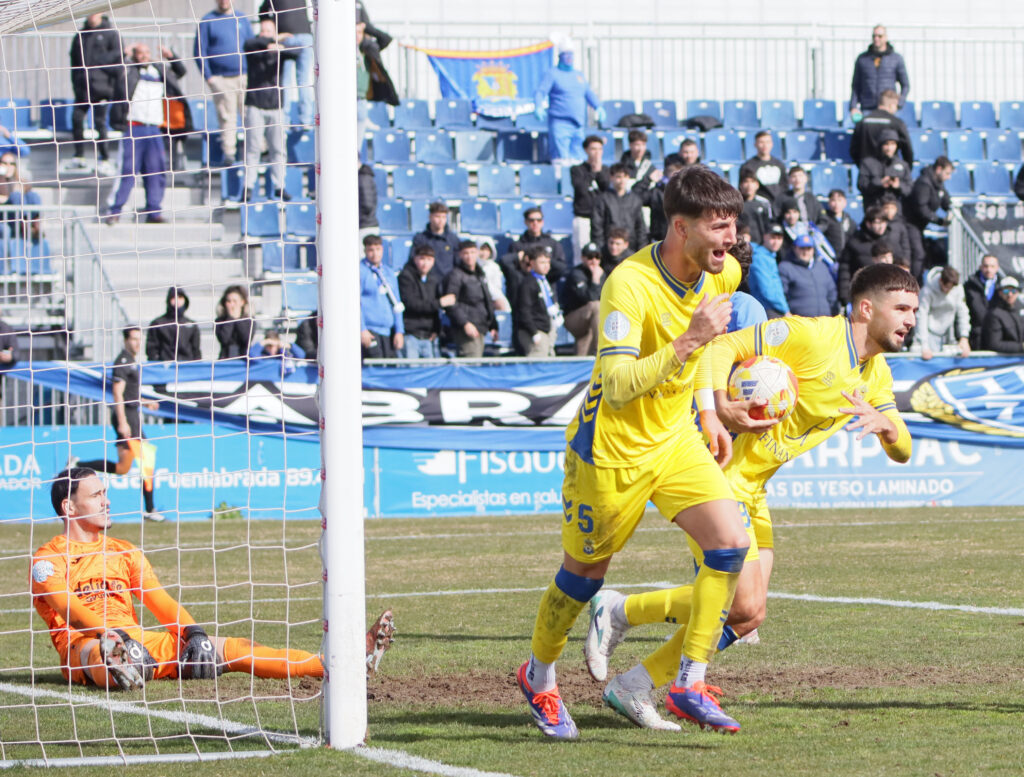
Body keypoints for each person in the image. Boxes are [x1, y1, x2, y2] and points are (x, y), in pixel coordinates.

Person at [588, 264, 918, 730]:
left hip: (754, 489)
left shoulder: (876, 374)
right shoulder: (811, 335)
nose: (910, 320)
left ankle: (632, 679)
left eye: (914, 311)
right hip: (718, 477)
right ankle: (626, 619)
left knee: (748, 616)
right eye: (901, 308)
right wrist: (717, 406)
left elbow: (903, 451)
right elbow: (720, 348)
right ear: (867, 308)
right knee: (739, 605)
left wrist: (889, 428)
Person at [517, 165, 765, 740]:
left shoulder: (722, 272)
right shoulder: (628, 284)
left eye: (733, 225)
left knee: (729, 545)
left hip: (675, 440)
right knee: (582, 578)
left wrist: (707, 410)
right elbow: (617, 382)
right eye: (719, 227)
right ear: (681, 228)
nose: (731, 239)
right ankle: (539, 676)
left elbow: (707, 350)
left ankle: (688, 683)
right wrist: (688, 339)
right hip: (611, 453)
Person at [33, 467, 396, 689]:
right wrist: (115, 638)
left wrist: (193, 633)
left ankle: (347, 663)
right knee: (96, 653)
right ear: (69, 506)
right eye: (96, 495)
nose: (106, 501)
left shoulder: (124, 551)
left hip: (139, 643)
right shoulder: (47, 559)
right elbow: (71, 612)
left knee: (232, 649)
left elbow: (160, 602)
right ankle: (119, 667)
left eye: (105, 494)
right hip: (83, 645)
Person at [74, 328, 163, 523]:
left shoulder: (131, 361)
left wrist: (145, 402)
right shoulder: (122, 361)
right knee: (146, 462)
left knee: (125, 467)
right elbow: (117, 393)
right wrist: (122, 421)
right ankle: (150, 509)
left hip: (132, 415)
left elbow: (129, 394)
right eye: (133, 339)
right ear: (125, 340)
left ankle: (78, 464)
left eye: (139, 339)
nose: (137, 343)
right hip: (127, 417)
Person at [104, 43, 186, 225]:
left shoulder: (159, 71)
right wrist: (122, 52)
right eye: (140, 53)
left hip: (154, 128)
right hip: (134, 127)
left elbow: (180, 72)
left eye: (146, 53)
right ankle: (115, 210)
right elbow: (108, 67)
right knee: (127, 170)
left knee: (155, 170)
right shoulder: (127, 70)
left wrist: (171, 56)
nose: (144, 56)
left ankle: (154, 210)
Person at [242, 17, 299, 202]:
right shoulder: (254, 48)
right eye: (263, 31)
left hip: (275, 106)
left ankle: (279, 187)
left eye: (269, 31)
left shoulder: (280, 50)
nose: (265, 34)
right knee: (253, 148)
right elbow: (248, 44)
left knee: (278, 149)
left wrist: (280, 46)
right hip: (255, 105)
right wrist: (272, 40)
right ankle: (248, 187)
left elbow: (297, 52)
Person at [194, 0, 254, 166]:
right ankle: (229, 153)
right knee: (227, 117)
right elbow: (199, 52)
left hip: (244, 77)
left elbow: (252, 46)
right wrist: (209, 78)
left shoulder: (241, 18)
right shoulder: (208, 21)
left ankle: (257, 151)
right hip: (221, 79)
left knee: (250, 115)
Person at [534, 37, 603, 167]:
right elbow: (541, 92)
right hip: (560, 122)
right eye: (566, 54)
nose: (569, 57)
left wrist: (598, 107)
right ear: (560, 56)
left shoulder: (579, 75)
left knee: (579, 159)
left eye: (571, 54)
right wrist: (538, 106)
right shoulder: (552, 74)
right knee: (562, 160)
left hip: (578, 124)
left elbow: (588, 92)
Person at [68, 12, 123, 172]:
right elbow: (74, 61)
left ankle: (104, 158)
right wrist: (76, 82)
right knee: (77, 118)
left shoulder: (111, 34)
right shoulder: (80, 35)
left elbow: (118, 58)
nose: (91, 16)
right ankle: (79, 156)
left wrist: (110, 84)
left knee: (100, 123)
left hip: (102, 89)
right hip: (82, 89)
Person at [258, 0, 313, 127]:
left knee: (285, 82)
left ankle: (285, 121)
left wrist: (273, 27)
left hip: (285, 36)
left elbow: (262, 11)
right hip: (304, 34)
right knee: (304, 80)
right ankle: (306, 120)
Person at [443, 240, 497, 358]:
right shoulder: (456, 275)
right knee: (471, 362)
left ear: (477, 253)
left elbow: (486, 300)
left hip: (481, 327)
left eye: (472, 252)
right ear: (460, 255)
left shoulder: (480, 273)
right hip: (467, 329)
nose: (469, 256)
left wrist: (493, 324)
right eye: (466, 253)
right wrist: (465, 324)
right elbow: (451, 303)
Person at [397, 245, 448, 358]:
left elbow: (435, 311)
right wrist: (439, 303)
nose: (425, 263)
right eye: (422, 259)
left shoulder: (433, 279)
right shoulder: (406, 277)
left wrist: (436, 329)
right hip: (411, 335)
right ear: (415, 259)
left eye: (429, 259)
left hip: (429, 337)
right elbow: (412, 304)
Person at [359, 234, 404, 359]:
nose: (375, 254)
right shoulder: (360, 271)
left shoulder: (389, 273)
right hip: (370, 331)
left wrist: (399, 331)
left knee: (390, 367)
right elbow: (355, 304)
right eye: (371, 250)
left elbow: (397, 303)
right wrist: (362, 329)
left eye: (378, 249)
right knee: (375, 365)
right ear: (365, 251)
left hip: (388, 332)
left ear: (382, 250)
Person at [849, 24, 910, 115]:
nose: (876, 39)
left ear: (886, 38)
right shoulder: (862, 59)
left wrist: (898, 103)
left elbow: (905, 85)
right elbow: (855, 85)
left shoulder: (896, 59)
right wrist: (853, 106)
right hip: (867, 107)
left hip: (888, 108)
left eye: (880, 36)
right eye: (874, 36)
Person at [513, 245, 562, 358]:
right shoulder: (527, 283)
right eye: (542, 262)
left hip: (548, 328)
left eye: (548, 262)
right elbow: (524, 311)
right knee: (539, 358)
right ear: (532, 263)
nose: (546, 266)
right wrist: (533, 332)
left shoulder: (545, 281)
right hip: (535, 330)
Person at [906, 157, 954, 269]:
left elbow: (945, 200)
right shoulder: (924, 183)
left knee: (923, 255)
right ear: (939, 169)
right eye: (947, 173)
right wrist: (939, 220)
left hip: (920, 225)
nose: (949, 177)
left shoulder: (937, 183)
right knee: (918, 255)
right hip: (910, 224)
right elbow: (921, 208)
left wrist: (950, 208)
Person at [914, 266, 971, 360]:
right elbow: (921, 316)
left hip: (949, 334)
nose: (948, 290)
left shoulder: (958, 289)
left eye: (951, 288)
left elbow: (963, 312)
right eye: (947, 287)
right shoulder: (927, 291)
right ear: (940, 281)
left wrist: (964, 337)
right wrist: (924, 345)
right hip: (929, 334)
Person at [838, 207, 891, 304]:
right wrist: (845, 295)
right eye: (878, 223)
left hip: (887, 294)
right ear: (868, 224)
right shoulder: (855, 242)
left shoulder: (890, 240)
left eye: (884, 222)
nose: (882, 226)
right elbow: (845, 270)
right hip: (864, 293)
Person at [591, 163, 648, 253]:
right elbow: (597, 226)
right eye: (618, 177)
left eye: (625, 177)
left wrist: (642, 248)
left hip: (630, 248)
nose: (622, 180)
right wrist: (600, 249)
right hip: (609, 249)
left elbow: (640, 227)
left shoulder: (635, 200)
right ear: (611, 177)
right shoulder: (602, 199)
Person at [570, 135, 611, 259]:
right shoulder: (577, 170)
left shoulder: (606, 170)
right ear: (586, 150)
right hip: (584, 217)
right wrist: (593, 172)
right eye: (593, 149)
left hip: (601, 219)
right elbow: (581, 189)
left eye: (600, 149)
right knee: (581, 253)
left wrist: (599, 172)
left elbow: (606, 188)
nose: (597, 153)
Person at [778, 234, 838, 317]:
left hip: (824, 320)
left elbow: (832, 293)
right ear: (794, 248)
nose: (805, 252)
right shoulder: (785, 267)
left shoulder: (822, 267)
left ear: (813, 249)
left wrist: (834, 313)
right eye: (802, 248)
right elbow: (780, 295)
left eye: (809, 248)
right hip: (799, 321)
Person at [850, 89, 913, 166]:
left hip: (867, 170)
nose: (896, 109)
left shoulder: (862, 122)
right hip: (890, 170)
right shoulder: (897, 123)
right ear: (892, 105)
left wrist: (862, 166)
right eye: (896, 106)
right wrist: (905, 170)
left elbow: (854, 150)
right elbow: (907, 150)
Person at [562, 242, 605, 355]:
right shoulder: (576, 274)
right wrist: (595, 279)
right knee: (596, 306)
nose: (594, 261)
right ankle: (601, 349)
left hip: (590, 321)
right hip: (573, 318)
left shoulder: (602, 273)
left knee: (584, 352)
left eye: (597, 257)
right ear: (583, 258)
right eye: (590, 257)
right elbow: (589, 298)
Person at [507, 207, 568, 285]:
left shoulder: (552, 243)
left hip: (547, 285)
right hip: (525, 286)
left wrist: (543, 260)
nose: (535, 223)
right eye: (531, 220)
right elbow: (510, 268)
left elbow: (562, 267)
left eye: (539, 220)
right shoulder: (517, 245)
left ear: (542, 222)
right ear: (526, 222)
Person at [635, 153, 685, 243]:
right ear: (665, 172)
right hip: (660, 242)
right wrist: (647, 179)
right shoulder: (656, 192)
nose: (675, 175)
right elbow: (634, 197)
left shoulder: (690, 191)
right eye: (672, 171)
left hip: (684, 241)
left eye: (679, 170)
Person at [857, 129, 912, 208]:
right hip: (874, 208)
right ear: (880, 145)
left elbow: (909, 190)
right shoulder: (867, 163)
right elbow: (862, 185)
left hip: (896, 210)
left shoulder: (903, 165)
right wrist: (880, 183)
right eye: (886, 144)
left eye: (893, 144)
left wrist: (898, 185)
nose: (889, 148)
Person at [146, 287, 202, 362]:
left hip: (187, 366)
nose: (177, 301)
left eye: (180, 297)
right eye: (174, 297)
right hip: (165, 366)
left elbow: (196, 351)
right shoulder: (157, 323)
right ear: (168, 300)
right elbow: (152, 350)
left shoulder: (192, 325)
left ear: (185, 300)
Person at [748, 225, 790, 318]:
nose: (776, 242)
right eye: (773, 237)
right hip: (767, 309)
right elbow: (767, 290)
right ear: (764, 237)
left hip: (773, 308)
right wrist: (785, 309)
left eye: (779, 238)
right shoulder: (760, 257)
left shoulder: (769, 256)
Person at [964, 254, 1004, 349]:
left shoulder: (1003, 287)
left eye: (992, 266)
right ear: (980, 267)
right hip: (976, 337)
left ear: (997, 268)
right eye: (986, 266)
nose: (989, 270)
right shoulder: (969, 286)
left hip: (998, 336)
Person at [411, 201, 460, 278]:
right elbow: (413, 261)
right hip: (428, 282)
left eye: (443, 217)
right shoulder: (420, 239)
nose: (441, 220)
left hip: (448, 281)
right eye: (437, 217)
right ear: (430, 217)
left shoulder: (453, 239)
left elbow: (458, 263)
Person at [738, 131, 787, 204]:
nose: (765, 145)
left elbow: (784, 186)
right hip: (758, 205)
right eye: (761, 142)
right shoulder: (748, 166)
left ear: (772, 144)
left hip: (778, 204)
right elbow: (743, 189)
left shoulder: (780, 164)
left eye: (767, 142)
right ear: (755, 144)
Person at [982, 276, 1024, 353]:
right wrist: (1021, 347)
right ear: (1000, 293)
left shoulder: (1021, 310)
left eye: (1013, 291)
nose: (1010, 294)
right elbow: (994, 344)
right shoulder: (994, 314)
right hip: (1004, 359)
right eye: (1006, 291)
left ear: (1018, 292)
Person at [214, 284, 255, 359]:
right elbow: (224, 339)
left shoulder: (249, 320)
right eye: (228, 301)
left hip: (244, 359)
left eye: (235, 301)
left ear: (242, 302)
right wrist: (231, 318)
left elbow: (246, 340)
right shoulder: (219, 321)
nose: (232, 304)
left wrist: (238, 319)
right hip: (225, 359)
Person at [737, 171, 772, 245]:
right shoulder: (736, 203)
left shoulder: (764, 203)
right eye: (746, 182)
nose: (749, 185)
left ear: (757, 185)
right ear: (740, 185)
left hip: (761, 245)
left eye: (752, 182)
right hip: (742, 244)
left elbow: (769, 225)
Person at [821, 189, 856, 256]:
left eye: (839, 200)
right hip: (830, 256)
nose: (836, 204)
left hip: (846, 257)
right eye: (833, 200)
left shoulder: (849, 221)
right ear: (829, 202)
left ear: (845, 202)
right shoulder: (824, 220)